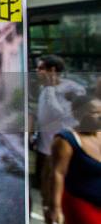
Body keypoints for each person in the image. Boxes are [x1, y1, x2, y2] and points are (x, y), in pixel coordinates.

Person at [34, 55, 85, 210]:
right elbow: (44, 115)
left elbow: (63, 115)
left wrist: (50, 89)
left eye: (41, 68)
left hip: (61, 152)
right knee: (45, 194)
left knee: (61, 197)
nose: (37, 71)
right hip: (43, 149)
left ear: (53, 70)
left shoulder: (74, 89)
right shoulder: (44, 89)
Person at [47, 94, 101, 224]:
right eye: (94, 112)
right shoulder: (66, 139)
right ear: (78, 114)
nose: (99, 116)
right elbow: (57, 174)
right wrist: (55, 209)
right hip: (82, 203)